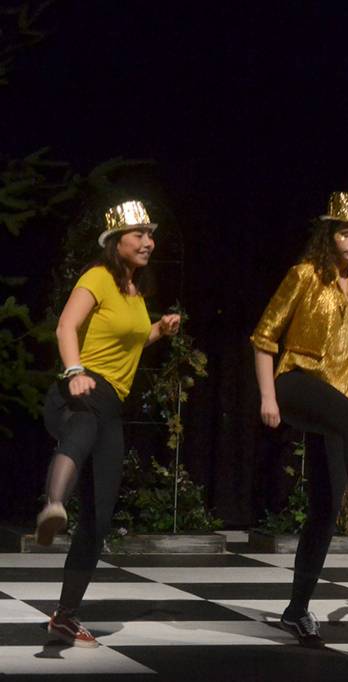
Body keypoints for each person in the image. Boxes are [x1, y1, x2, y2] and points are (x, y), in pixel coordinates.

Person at [251, 191, 348, 647]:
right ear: (330, 234)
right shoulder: (305, 275)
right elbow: (264, 337)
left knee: (325, 509)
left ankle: (296, 610)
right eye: (346, 232)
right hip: (295, 381)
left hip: (337, 406)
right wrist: (268, 396)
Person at [34, 200, 181, 647]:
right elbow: (66, 326)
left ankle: (65, 616)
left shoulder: (135, 292)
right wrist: (75, 372)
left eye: (150, 235)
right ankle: (53, 505)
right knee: (81, 427)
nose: (148, 242)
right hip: (75, 392)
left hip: (110, 404)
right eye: (138, 234)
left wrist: (158, 330)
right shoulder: (97, 277)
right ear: (116, 241)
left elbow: (129, 343)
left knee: (98, 519)